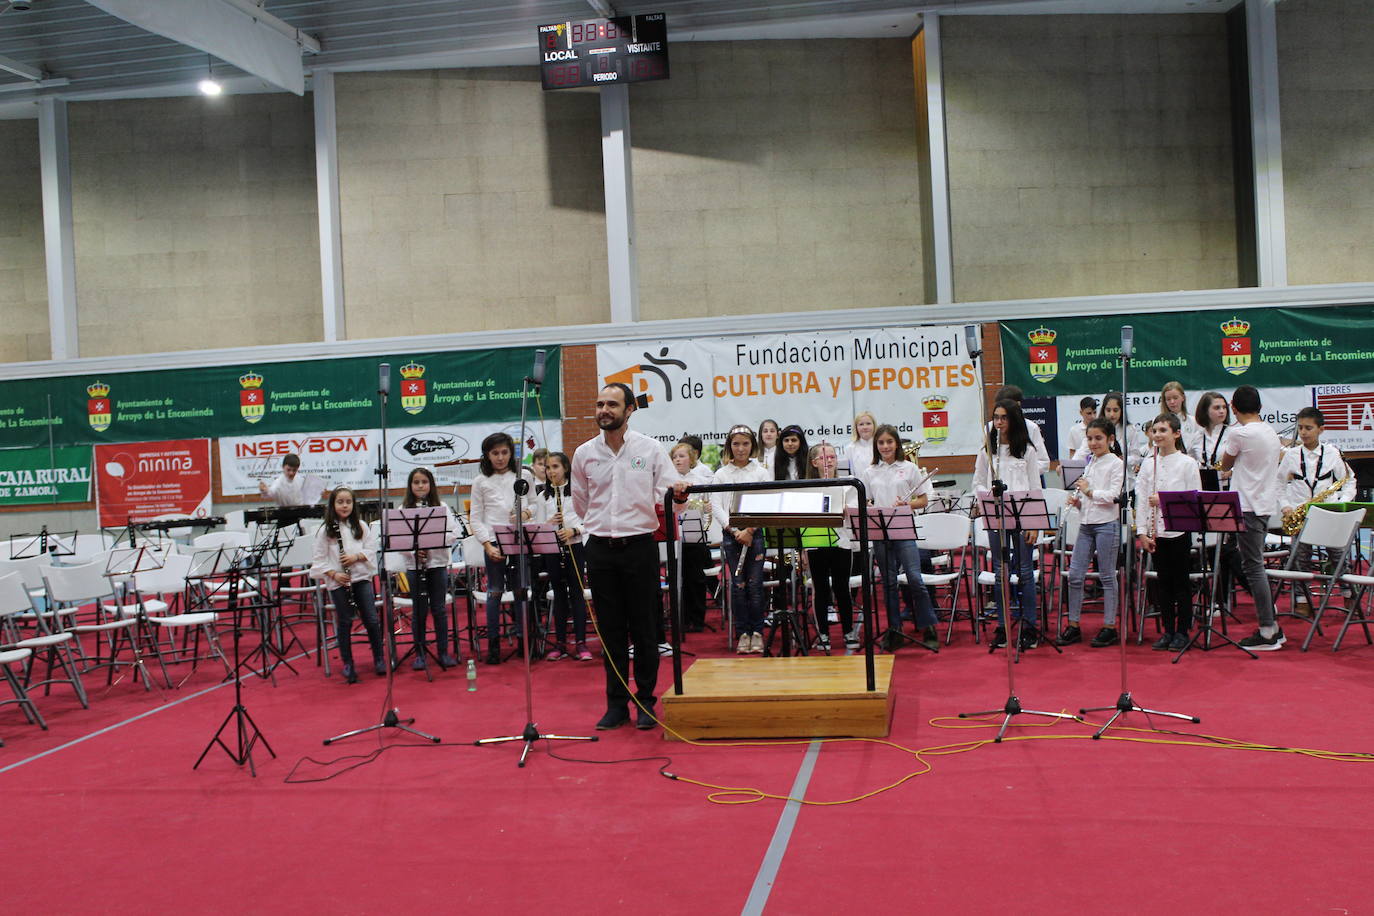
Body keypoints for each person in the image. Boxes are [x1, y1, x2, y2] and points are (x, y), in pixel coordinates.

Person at [572, 383, 685, 731]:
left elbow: (673, 496)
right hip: (601, 550)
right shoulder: (583, 454)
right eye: (600, 404)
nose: (604, 410)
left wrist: (679, 494)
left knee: (645, 627)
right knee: (610, 630)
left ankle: (645, 702)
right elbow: (579, 502)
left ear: (630, 409)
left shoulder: (650, 450)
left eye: (612, 404)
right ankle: (616, 704)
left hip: (640, 547)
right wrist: (597, 528)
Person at [861, 423, 940, 652]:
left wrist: (907, 503)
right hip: (880, 530)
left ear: (897, 444)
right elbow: (866, 500)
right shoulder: (869, 472)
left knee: (915, 578)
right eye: (881, 443)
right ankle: (895, 631)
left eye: (889, 442)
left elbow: (923, 500)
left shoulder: (909, 468)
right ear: (876, 446)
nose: (885, 446)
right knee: (888, 583)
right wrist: (870, 506)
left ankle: (929, 627)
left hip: (904, 530)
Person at [974, 399, 1043, 650]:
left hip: (1023, 516)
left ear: (1013, 420)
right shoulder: (987, 452)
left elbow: (1036, 488)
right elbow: (977, 483)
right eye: (996, 417)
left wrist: (1035, 524)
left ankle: (1029, 627)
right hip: (997, 518)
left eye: (1004, 417)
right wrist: (988, 493)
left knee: (1025, 572)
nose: (999, 422)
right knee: (1001, 573)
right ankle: (1003, 627)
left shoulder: (1027, 450)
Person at [1221, 385, 1285, 651]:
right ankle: (1272, 628)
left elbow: (1224, 464)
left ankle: (1268, 629)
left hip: (1247, 505)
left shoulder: (1239, 433)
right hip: (1262, 504)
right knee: (1252, 564)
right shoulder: (1269, 431)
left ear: (1234, 407)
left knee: (1253, 567)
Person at [1055, 418, 1125, 647]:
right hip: (1086, 525)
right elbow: (1088, 496)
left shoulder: (1116, 463)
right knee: (1075, 575)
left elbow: (1114, 495)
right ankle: (1073, 624)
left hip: (1107, 524)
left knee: (1106, 576)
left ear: (1110, 439)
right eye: (1090, 438)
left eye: (1098, 438)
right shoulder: (1090, 461)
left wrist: (1090, 492)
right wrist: (1078, 502)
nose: (1093, 443)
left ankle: (1109, 626)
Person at [1136, 414, 1202, 651]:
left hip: (1179, 531)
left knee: (1180, 584)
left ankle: (1183, 631)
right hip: (1156, 533)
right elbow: (1141, 499)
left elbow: (1195, 498)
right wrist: (1142, 532)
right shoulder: (1147, 463)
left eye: (1163, 430)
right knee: (1162, 584)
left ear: (1176, 433)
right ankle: (1168, 630)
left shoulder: (1187, 463)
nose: (1157, 435)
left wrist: (1163, 500)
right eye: (1154, 430)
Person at [1277, 407, 1355, 608]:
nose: (1303, 432)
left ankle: (1348, 594)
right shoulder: (1291, 455)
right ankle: (1302, 600)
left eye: (1308, 428)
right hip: (1300, 514)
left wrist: (1341, 504)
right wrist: (1285, 506)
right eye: (1300, 428)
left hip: (1329, 514)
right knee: (1299, 559)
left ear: (1321, 429)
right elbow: (1278, 484)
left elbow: (1349, 480)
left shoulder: (1333, 453)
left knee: (1339, 556)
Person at [469, 431, 535, 665]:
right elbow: (475, 518)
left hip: (518, 538)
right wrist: (487, 544)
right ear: (487, 455)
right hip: (494, 541)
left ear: (511, 453)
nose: (500, 457)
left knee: (520, 591)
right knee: (494, 592)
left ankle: (523, 642)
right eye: (495, 453)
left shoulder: (523, 475)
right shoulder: (480, 481)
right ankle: (494, 647)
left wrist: (525, 512)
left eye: (504, 452)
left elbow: (535, 505)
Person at [309, 486, 385, 683]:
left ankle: (379, 658)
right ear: (333, 505)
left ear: (353, 504)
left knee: (371, 619)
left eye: (348, 502)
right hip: (339, 582)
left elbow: (371, 549)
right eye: (340, 502)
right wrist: (334, 573)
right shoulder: (325, 531)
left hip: (360, 579)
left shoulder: (361, 526)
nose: (344, 506)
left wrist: (356, 557)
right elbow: (318, 560)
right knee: (345, 622)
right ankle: (348, 663)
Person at [712, 425, 772, 654]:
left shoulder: (761, 472)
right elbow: (717, 504)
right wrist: (734, 530)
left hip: (755, 536)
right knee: (738, 587)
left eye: (745, 444)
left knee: (755, 586)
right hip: (731, 537)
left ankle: (757, 632)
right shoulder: (721, 474)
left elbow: (766, 503)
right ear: (729, 446)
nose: (741, 448)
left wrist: (750, 529)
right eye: (736, 444)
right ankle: (742, 633)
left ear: (752, 446)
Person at [532, 451, 591, 661]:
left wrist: (574, 531)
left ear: (566, 468)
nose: (551, 472)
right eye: (547, 468)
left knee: (577, 594)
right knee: (558, 595)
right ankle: (560, 643)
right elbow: (538, 527)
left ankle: (581, 643)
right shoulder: (543, 496)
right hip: (553, 550)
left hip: (574, 547)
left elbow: (590, 521)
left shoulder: (578, 492)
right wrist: (549, 524)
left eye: (555, 467)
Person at [400, 467, 459, 670]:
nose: (420, 485)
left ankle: (443, 652)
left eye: (424, 482)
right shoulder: (403, 509)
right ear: (410, 485)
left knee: (439, 610)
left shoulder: (441, 506)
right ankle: (420, 655)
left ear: (430, 484)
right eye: (416, 482)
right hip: (415, 566)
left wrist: (432, 541)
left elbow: (454, 532)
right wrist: (414, 551)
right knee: (419, 611)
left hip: (437, 564)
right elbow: (400, 540)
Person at [804, 442, 858, 650]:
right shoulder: (807, 486)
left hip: (841, 541)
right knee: (821, 588)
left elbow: (853, 512)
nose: (829, 462)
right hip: (816, 542)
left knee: (842, 588)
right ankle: (823, 633)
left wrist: (843, 508)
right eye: (824, 458)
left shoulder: (848, 484)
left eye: (832, 457)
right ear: (814, 462)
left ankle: (847, 631)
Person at [669, 441, 713, 633]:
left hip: (695, 536)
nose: (678, 460)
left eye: (682, 456)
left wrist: (706, 508)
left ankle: (697, 618)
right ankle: (681, 618)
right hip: (674, 536)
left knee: (696, 579)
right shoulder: (668, 480)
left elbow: (705, 506)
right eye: (675, 457)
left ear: (691, 458)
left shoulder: (700, 479)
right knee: (678, 579)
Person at [1079, 391, 1147, 472]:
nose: (1112, 414)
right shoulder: (1096, 428)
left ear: (1121, 411)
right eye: (1108, 410)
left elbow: (1136, 457)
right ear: (1103, 410)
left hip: (1124, 477)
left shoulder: (1130, 429)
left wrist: (1123, 459)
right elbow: (1082, 453)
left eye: (1115, 410)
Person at [993, 385, 1051, 478]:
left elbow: (1043, 462)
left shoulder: (1031, 427)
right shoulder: (989, 427)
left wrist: (1020, 471)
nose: (1000, 421)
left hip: (1027, 481)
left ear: (1018, 405)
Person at [258, 453, 324, 507]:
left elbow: (309, 495)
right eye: (288, 470)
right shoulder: (278, 482)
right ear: (283, 467)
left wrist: (317, 492)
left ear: (298, 468)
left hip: (301, 513)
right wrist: (265, 490)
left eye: (294, 470)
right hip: (284, 515)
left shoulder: (301, 480)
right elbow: (270, 492)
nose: (291, 473)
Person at [1159, 381, 1202, 457]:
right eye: (1168, 399)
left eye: (1175, 398)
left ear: (1183, 397)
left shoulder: (1194, 422)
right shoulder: (1158, 423)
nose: (1172, 402)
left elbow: (1199, 449)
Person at [1192, 391, 1232, 472]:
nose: (1222, 411)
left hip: (1227, 483)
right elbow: (1189, 462)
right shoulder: (1197, 436)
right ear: (1205, 411)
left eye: (1224, 407)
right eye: (1217, 408)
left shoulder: (1232, 434)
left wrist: (1231, 471)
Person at [844, 411, 877, 478]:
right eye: (861, 424)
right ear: (856, 428)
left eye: (868, 423)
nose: (865, 427)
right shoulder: (850, 448)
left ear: (874, 425)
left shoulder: (880, 446)